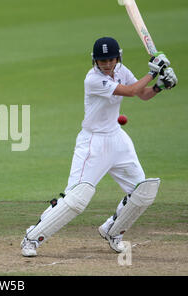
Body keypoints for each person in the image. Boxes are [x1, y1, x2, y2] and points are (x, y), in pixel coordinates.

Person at [21, 37, 178, 256]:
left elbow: (143, 94)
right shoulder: (93, 79)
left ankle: (112, 231)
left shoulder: (122, 70)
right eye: (102, 60)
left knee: (142, 192)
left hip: (117, 139)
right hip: (92, 142)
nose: (107, 64)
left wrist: (161, 85)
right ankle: (31, 238)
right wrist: (153, 72)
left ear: (118, 58)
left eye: (110, 59)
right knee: (76, 199)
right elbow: (132, 91)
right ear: (95, 61)